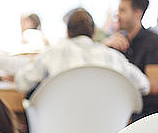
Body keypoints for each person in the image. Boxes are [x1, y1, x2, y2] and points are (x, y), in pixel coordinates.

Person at [14, 8, 149, 95]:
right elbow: (144, 86)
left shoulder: (52, 53)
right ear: (94, 33)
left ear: (67, 32)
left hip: (60, 129)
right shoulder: (114, 58)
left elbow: (22, 82)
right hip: (107, 132)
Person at [102, 0, 158, 120]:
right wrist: (105, 45)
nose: (117, 15)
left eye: (122, 10)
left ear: (137, 13)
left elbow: (154, 85)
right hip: (121, 108)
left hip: (145, 115)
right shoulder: (117, 41)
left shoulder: (153, 42)